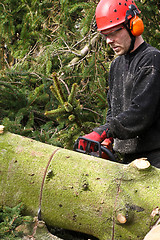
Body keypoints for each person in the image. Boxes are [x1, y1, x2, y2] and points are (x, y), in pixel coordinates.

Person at [78, 0, 160, 168]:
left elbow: (141, 112)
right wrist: (108, 138)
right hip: (128, 159)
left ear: (133, 26)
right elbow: (113, 110)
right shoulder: (116, 65)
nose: (109, 41)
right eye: (105, 35)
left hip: (155, 158)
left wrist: (104, 131)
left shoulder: (151, 60)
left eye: (113, 33)